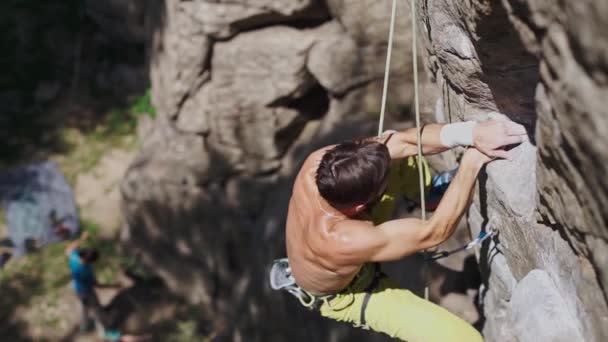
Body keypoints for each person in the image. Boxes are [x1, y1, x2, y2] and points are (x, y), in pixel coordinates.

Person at [284, 118, 528, 341]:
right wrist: (471, 163)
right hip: (353, 291)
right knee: (464, 339)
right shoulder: (342, 239)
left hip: (353, 237)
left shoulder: (321, 164)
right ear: (361, 205)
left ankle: (429, 192)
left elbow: (401, 141)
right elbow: (434, 233)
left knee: (392, 150)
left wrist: (472, 133)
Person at [66, 232, 150, 342]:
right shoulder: (86, 271)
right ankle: (110, 333)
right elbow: (97, 285)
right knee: (98, 311)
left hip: (77, 289)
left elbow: (69, 249)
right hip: (87, 292)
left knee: (85, 306)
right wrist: (115, 286)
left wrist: (82, 239)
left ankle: (85, 325)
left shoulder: (74, 257)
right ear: (89, 261)